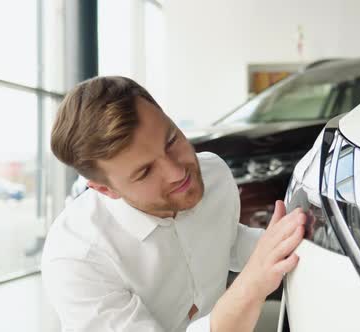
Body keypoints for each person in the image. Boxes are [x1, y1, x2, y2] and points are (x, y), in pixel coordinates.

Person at [41, 76, 305, 332]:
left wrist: (289, 244)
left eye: (171, 141)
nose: (178, 173)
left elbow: (224, 236)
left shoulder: (213, 173)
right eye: (145, 172)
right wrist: (251, 286)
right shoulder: (77, 260)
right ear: (105, 189)